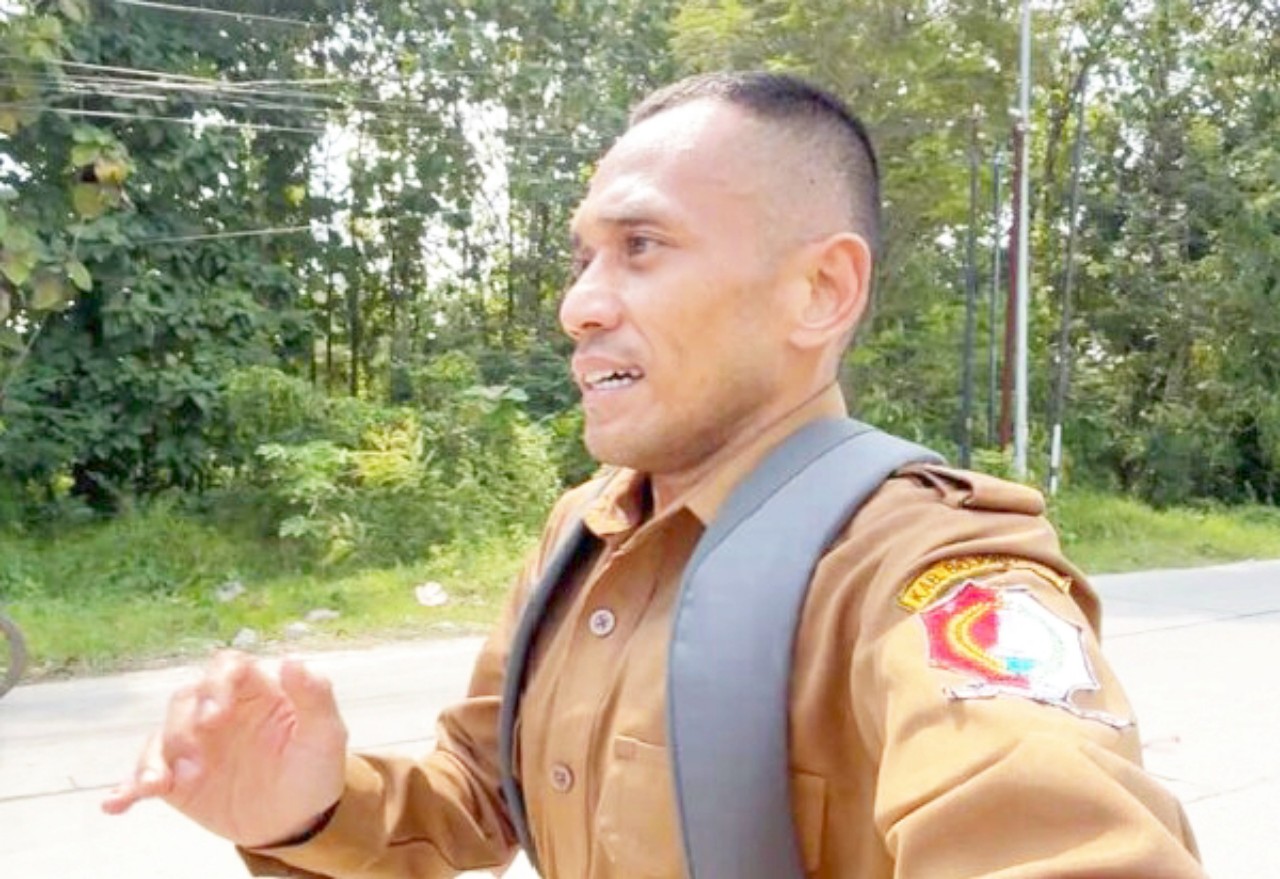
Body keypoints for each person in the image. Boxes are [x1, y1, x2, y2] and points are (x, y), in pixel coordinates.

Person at [103, 71, 1205, 878]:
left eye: (641, 246)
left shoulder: (919, 564)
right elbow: (479, 792)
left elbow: (1058, 832)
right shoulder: (583, 533)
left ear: (819, 291)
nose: (578, 304)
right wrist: (304, 808)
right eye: (583, 255)